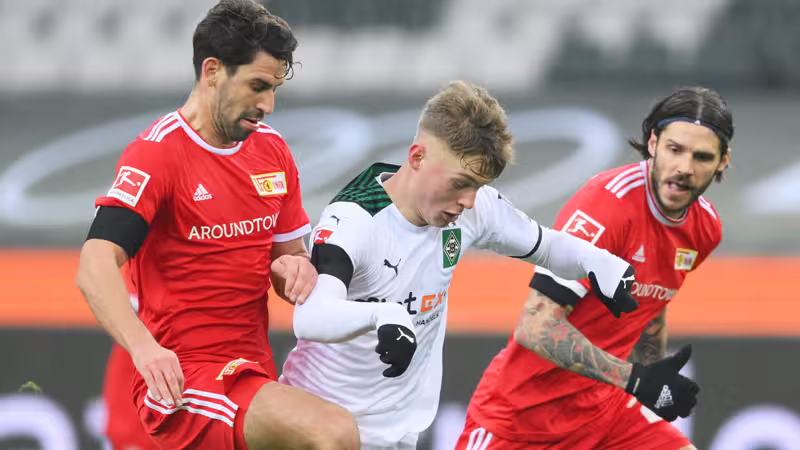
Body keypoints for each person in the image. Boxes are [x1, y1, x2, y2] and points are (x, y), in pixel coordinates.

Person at [279, 80, 640, 449]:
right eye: (461, 183)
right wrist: (383, 315)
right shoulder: (353, 219)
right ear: (418, 158)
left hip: (397, 435)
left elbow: (546, 246)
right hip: (319, 427)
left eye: (478, 186)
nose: (468, 201)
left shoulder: (472, 209)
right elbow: (311, 317)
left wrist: (599, 262)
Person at [76, 1, 360, 449]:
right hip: (186, 380)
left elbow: (289, 261)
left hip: (253, 373)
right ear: (212, 71)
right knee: (333, 430)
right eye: (257, 86)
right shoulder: (157, 154)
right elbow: (94, 264)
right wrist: (144, 348)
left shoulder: (273, 152)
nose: (268, 105)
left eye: (274, 89)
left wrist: (296, 269)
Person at [458, 86, 733, 450]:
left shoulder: (705, 229)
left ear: (722, 161)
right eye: (675, 149)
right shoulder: (608, 206)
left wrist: (653, 374)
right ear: (653, 143)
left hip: (607, 414)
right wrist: (637, 380)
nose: (684, 168)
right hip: (521, 422)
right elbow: (536, 326)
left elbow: (650, 305)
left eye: (702, 157)